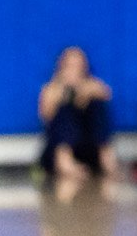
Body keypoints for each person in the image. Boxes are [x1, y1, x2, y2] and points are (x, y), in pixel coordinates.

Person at [39, 45, 114, 181]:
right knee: (65, 107)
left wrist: (81, 92)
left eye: (78, 65)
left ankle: (105, 157)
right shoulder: (50, 89)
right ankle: (65, 161)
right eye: (70, 65)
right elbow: (45, 115)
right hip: (59, 148)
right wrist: (65, 91)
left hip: (89, 146)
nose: (74, 70)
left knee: (97, 105)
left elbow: (106, 94)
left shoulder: (92, 85)